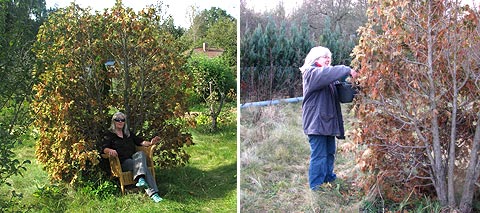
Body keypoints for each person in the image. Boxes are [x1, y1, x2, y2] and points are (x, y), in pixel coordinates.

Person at [299, 46, 358, 191]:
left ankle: (328, 177)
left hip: (327, 122)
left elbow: (341, 93)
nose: (328, 59)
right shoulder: (311, 73)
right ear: (315, 59)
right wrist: (346, 69)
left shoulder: (327, 78)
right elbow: (327, 73)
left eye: (329, 57)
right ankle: (316, 186)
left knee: (329, 152)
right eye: (324, 57)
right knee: (319, 155)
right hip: (316, 123)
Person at [100, 112, 163, 202]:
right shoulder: (109, 135)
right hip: (122, 162)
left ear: (125, 122)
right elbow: (103, 149)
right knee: (144, 168)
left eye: (122, 120)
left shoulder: (128, 133)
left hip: (134, 159)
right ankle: (153, 194)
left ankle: (141, 181)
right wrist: (110, 150)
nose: (120, 121)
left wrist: (151, 143)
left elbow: (140, 142)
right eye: (117, 120)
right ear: (113, 121)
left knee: (141, 154)